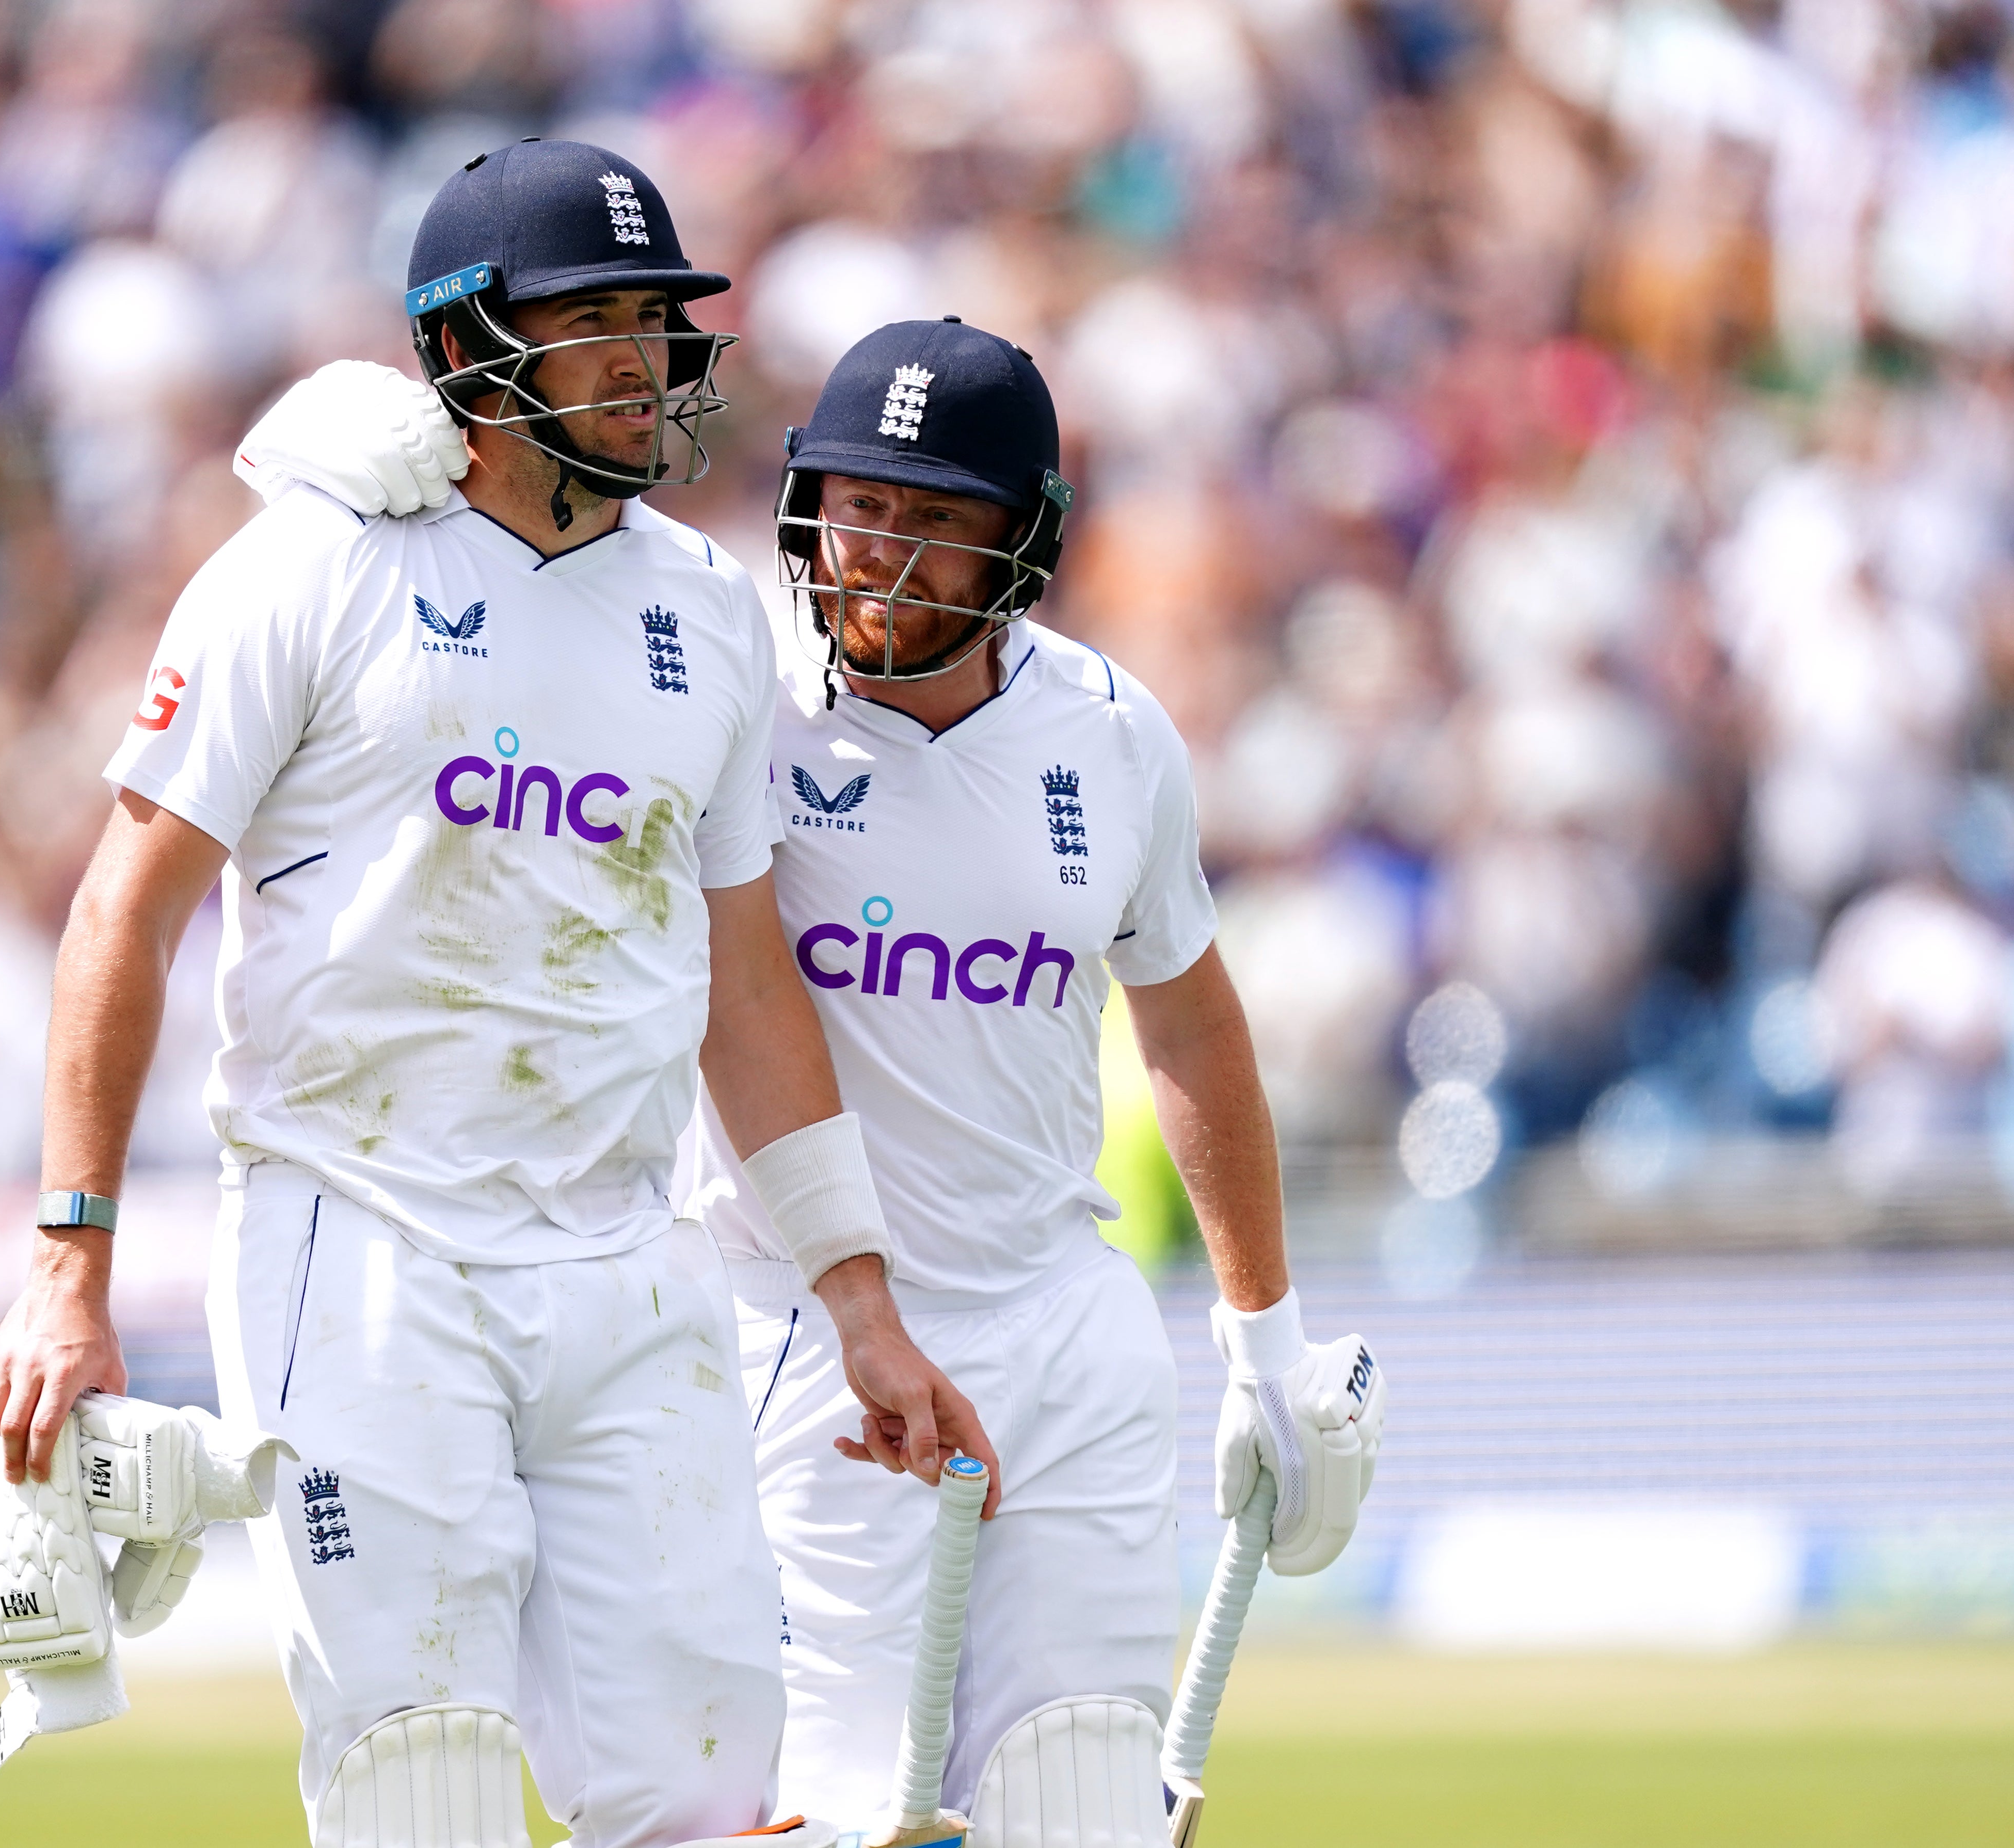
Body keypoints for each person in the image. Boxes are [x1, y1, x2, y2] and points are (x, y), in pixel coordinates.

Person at [245, 316, 1385, 1848]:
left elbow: (1192, 1031)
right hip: (800, 1345)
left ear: (1026, 542)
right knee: (816, 1822)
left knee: (1084, 1803)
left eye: (934, 520)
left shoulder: (1116, 739)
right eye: (858, 506)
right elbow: (554, 561)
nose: (881, 557)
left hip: (1065, 1323)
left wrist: (1267, 1346)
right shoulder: (727, 693)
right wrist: (385, 467)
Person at [0, 142, 993, 1848]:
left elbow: (748, 987)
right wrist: (67, 1266)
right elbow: (121, 911)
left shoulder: (709, 614)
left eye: (655, 321)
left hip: (624, 1254)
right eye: (588, 318)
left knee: (708, 1794)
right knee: (418, 1774)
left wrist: (861, 1304)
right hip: (361, 1240)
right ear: (463, 350)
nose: (638, 359)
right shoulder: (309, 570)